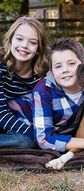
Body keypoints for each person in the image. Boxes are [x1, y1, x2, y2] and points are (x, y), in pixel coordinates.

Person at [33, 37, 84, 153]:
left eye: (71, 64)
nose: (65, 70)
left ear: (83, 66)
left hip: (66, 133)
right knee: (23, 141)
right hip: (27, 123)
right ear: (51, 71)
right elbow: (43, 140)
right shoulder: (43, 91)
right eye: (58, 66)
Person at [0, 16, 48, 148]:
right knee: (27, 142)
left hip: (15, 126)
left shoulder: (43, 75)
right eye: (19, 39)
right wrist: (40, 136)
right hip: (2, 119)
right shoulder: (1, 68)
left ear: (39, 48)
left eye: (32, 42)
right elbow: (1, 114)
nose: (24, 46)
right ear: (10, 40)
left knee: (25, 141)